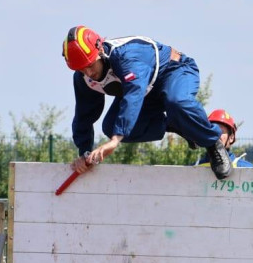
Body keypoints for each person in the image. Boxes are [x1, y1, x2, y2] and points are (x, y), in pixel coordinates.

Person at [62, 26, 233, 180]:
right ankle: (175, 124)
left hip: (174, 71)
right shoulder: (83, 78)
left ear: (100, 52)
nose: (89, 72)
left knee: (176, 102)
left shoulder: (124, 56)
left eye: (91, 65)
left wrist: (115, 140)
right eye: (82, 68)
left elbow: (133, 95)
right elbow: (84, 115)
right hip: (146, 93)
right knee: (110, 126)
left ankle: (213, 143)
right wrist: (85, 154)